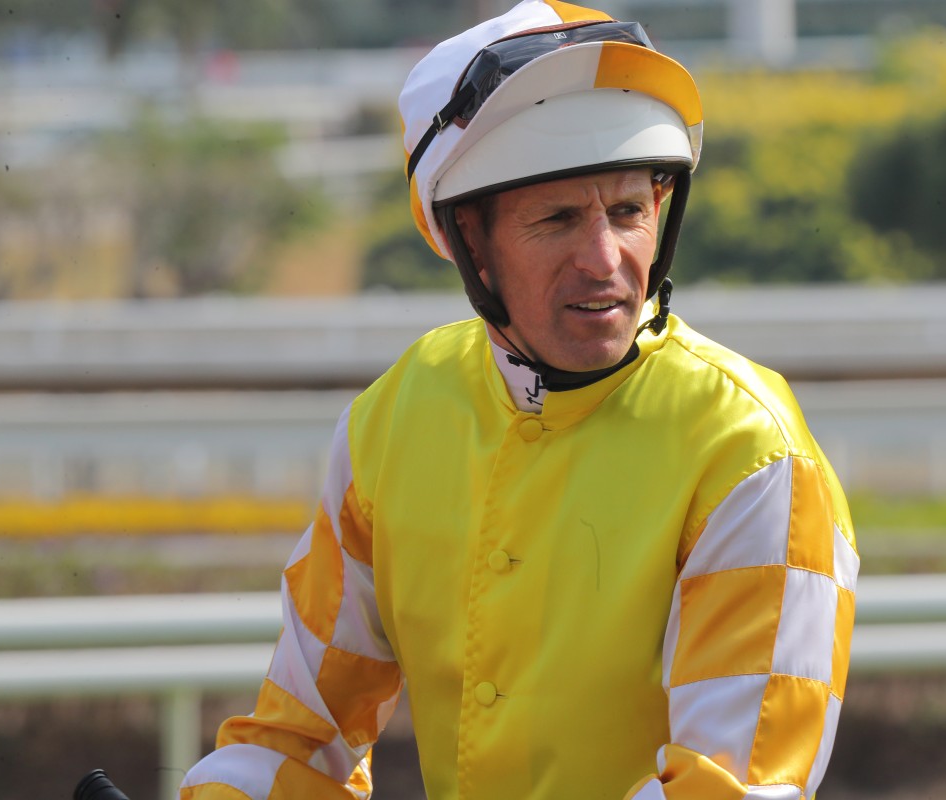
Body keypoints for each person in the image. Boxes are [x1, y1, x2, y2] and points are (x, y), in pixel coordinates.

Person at [180, 1, 858, 798]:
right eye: (558, 219)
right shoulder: (392, 418)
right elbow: (300, 739)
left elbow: (730, 786)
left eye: (628, 212)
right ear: (469, 239)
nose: (604, 259)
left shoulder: (751, 452)